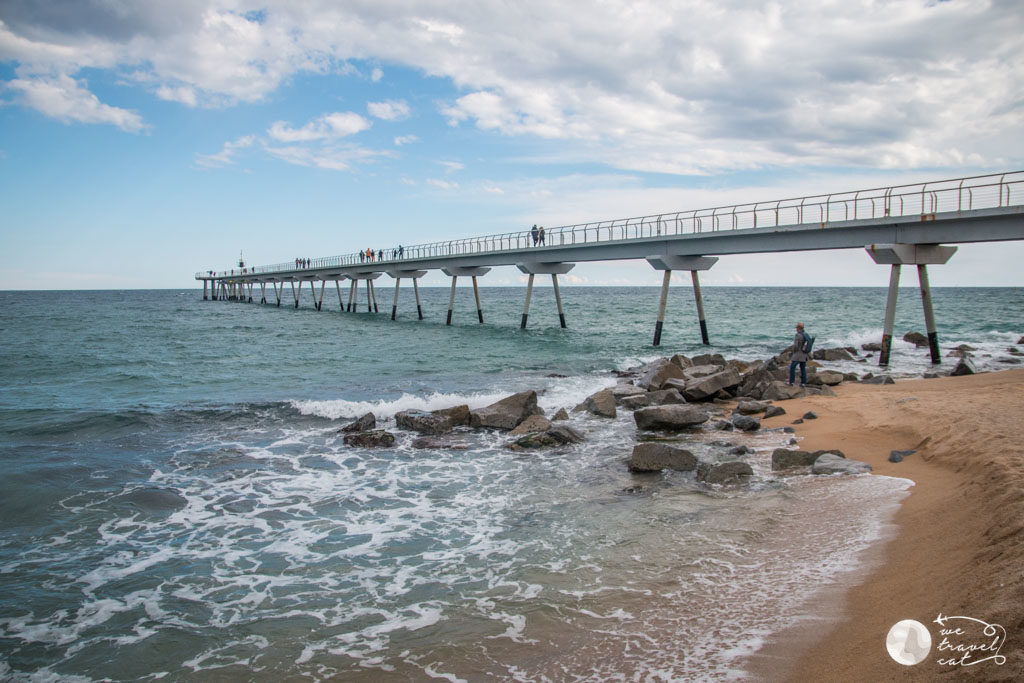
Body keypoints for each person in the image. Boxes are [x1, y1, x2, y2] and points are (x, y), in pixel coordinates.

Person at [789, 322, 810, 386]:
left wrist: (793, 352)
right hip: (804, 354)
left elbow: (796, 346)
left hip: (798, 354)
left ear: (798, 328)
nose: (796, 329)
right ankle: (803, 383)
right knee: (803, 368)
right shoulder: (806, 334)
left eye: (796, 327)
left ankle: (791, 382)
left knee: (792, 367)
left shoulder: (797, 335)